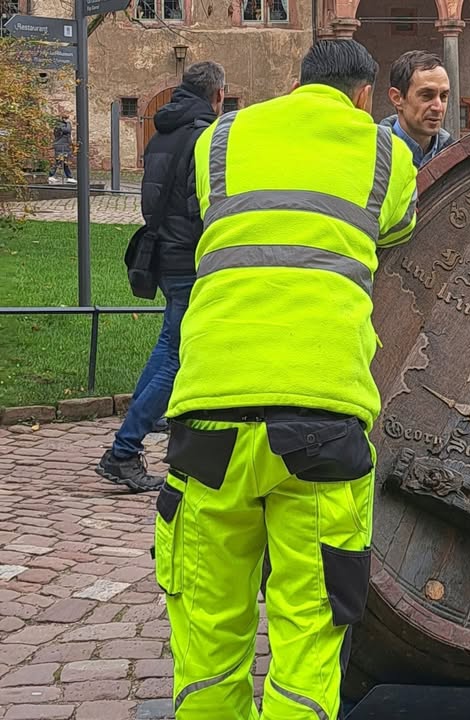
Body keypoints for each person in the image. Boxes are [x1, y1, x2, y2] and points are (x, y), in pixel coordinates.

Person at [154, 39, 417, 719]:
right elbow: (398, 230)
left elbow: (211, 212)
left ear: (298, 84)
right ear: (364, 96)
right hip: (323, 418)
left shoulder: (222, 137)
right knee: (310, 633)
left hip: (212, 406)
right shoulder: (386, 153)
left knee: (208, 629)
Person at [95, 61, 225, 492]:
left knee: (168, 347)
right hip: (188, 256)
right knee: (176, 355)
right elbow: (201, 204)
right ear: (218, 95)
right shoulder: (206, 136)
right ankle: (124, 449)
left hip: (163, 254)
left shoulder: (163, 131)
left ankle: (143, 434)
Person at [380, 49, 453, 168]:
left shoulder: (456, 157)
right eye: (427, 96)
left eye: (443, 96)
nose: (438, 107)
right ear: (397, 98)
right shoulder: (374, 155)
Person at [49, 113, 75, 185]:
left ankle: (69, 177)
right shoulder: (60, 125)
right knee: (58, 161)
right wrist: (69, 123)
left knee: (64, 162)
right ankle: (50, 175)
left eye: (67, 118)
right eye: (65, 118)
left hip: (64, 145)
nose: (67, 120)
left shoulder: (62, 125)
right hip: (61, 146)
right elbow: (67, 130)